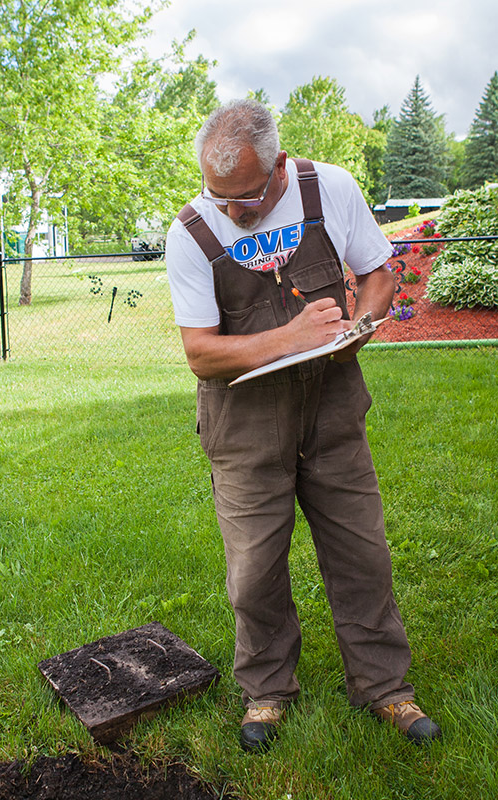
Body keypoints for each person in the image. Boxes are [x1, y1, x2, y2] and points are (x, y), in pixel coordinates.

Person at [166, 99, 441, 752]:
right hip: (244, 428)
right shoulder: (192, 231)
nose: (232, 211)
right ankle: (265, 690)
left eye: (247, 196)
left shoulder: (330, 188)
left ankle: (384, 687)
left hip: (331, 413)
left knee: (361, 555)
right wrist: (290, 338)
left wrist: (360, 327)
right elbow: (201, 353)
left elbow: (377, 274)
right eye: (218, 196)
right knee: (253, 572)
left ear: (280, 165)